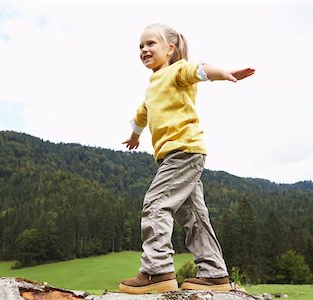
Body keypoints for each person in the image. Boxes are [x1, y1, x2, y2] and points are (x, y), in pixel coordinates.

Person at [119, 23, 255, 294]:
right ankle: (215, 273)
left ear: (170, 49)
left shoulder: (176, 71)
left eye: (150, 44)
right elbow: (141, 115)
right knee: (194, 215)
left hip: (183, 151)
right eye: (141, 46)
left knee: (156, 204)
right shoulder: (152, 86)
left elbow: (200, 70)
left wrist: (223, 73)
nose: (144, 50)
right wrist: (134, 136)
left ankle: (157, 270)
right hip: (179, 155)